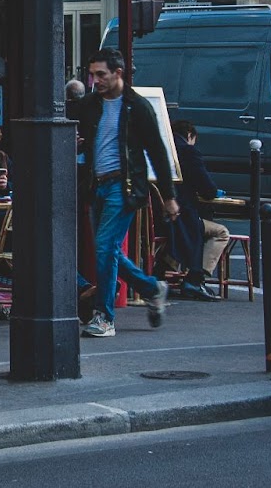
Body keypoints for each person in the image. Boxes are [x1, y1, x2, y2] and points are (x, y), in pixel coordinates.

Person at [78, 48, 179, 339]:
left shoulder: (137, 107)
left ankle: (104, 317)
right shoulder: (89, 105)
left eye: (102, 75)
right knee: (106, 250)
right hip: (96, 185)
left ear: (118, 73)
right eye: (93, 74)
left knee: (105, 249)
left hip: (124, 188)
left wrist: (169, 196)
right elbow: (84, 142)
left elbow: (158, 152)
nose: (96, 80)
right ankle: (151, 288)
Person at [164, 119, 228, 300]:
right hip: (182, 216)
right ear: (190, 135)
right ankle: (196, 278)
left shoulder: (164, 149)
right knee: (221, 232)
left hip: (160, 218)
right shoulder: (188, 152)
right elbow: (208, 190)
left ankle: (169, 271)